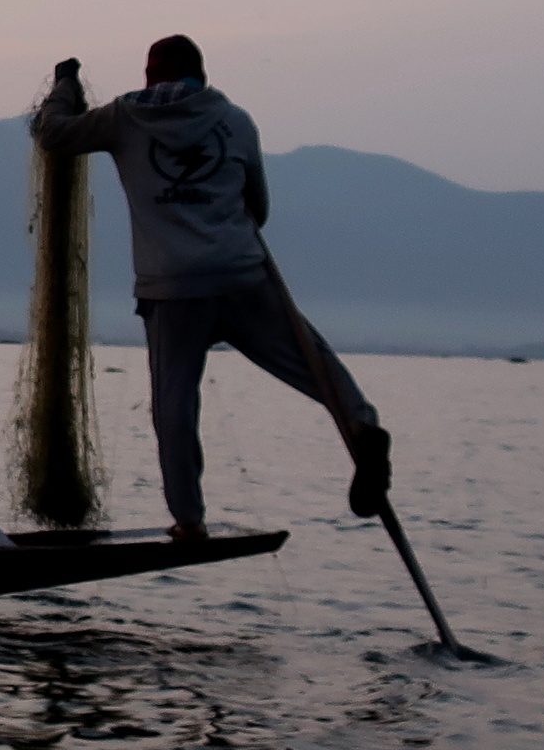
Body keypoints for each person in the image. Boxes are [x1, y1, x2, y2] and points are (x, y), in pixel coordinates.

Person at [33, 36, 389, 540]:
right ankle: (361, 426)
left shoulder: (124, 118)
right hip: (241, 272)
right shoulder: (235, 121)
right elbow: (257, 209)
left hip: (171, 289)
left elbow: (53, 135)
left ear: (149, 78)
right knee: (312, 361)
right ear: (203, 75)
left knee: (175, 407)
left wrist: (65, 86)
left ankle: (189, 519)